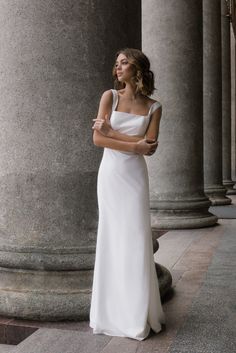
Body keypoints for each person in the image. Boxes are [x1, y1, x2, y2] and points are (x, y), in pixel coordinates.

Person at [89, 48, 165, 341]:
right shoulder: (110, 96)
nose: (118, 67)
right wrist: (134, 145)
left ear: (138, 68)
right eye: (117, 63)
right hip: (111, 174)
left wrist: (113, 133)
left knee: (135, 237)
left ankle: (136, 313)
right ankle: (110, 313)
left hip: (134, 176)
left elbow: (152, 146)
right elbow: (98, 139)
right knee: (112, 236)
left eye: (125, 63)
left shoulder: (154, 107)